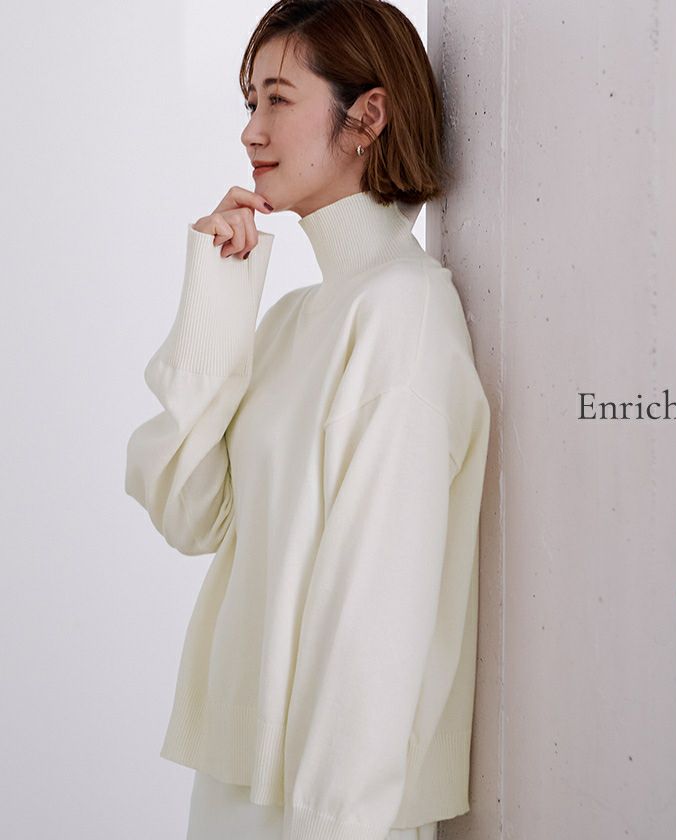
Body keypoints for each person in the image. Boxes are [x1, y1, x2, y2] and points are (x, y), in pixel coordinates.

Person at [124, 1, 491, 839]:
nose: (251, 131)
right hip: (243, 785)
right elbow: (189, 515)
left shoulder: (402, 315)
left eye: (278, 99)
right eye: (249, 101)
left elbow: (376, 627)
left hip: (327, 809)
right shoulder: (296, 319)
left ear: (369, 115)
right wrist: (217, 299)